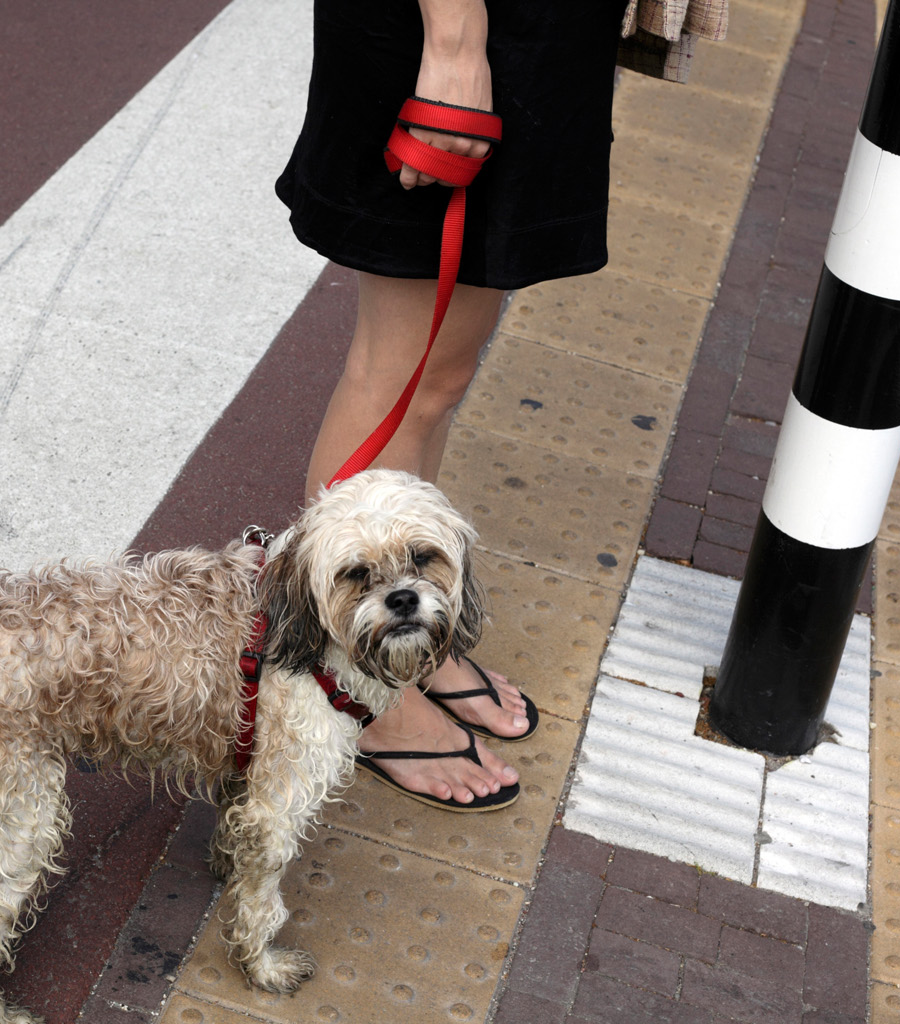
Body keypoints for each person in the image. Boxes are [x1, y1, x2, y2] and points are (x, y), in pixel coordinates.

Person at [275, 0, 628, 808]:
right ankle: (363, 689)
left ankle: (404, 642)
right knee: (396, 367)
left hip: (533, 35)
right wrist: (456, 43)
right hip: (457, 28)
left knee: (440, 375)